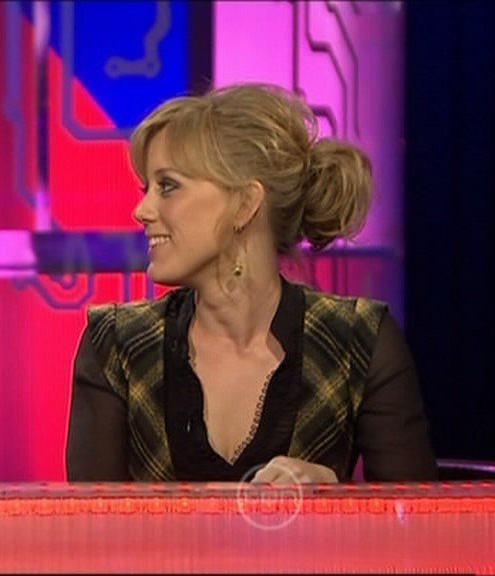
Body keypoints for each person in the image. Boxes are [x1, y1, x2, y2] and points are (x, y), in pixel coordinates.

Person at [66, 83, 436, 483]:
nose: (142, 210)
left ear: (245, 204)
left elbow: (418, 518)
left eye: (168, 186)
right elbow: (88, 520)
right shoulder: (117, 344)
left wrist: (335, 498)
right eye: (147, 189)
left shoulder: (356, 340)